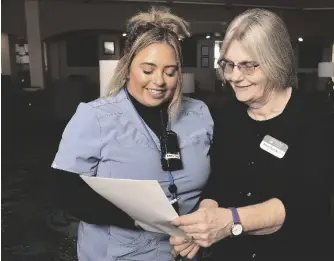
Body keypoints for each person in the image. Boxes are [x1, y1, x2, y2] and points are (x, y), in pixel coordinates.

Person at [170, 8, 334, 261]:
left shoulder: (314, 119)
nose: (235, 77)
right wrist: (203, 223)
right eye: (228, 64)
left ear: (275, 61)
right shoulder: (225, 115)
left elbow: (307, 201)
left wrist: (232, 220)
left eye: (248, 66)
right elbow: (217, 183)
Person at [51, 7, 213, 261]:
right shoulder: (94, 117)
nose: (159, 81)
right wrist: (140, 219)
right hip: (120, 254)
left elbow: (219, 177)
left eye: (170, 72)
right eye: (148, 70)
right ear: (127, 67)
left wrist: (204, 221)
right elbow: (66, 191)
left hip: (187, 252)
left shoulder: (199, 113)